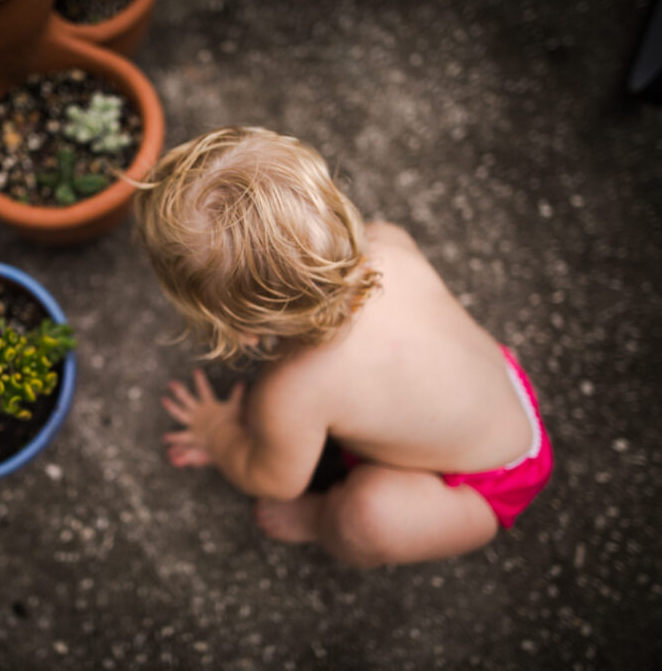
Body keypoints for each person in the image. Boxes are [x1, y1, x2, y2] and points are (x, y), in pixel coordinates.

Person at [132, 127, 552, 567]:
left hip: (489, 483)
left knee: (368, 518)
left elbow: (273, 479)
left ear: (241, 332)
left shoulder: (289, 394)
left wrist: (220, 434)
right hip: (508, 396)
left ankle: (319, 519)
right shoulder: (389, 242)